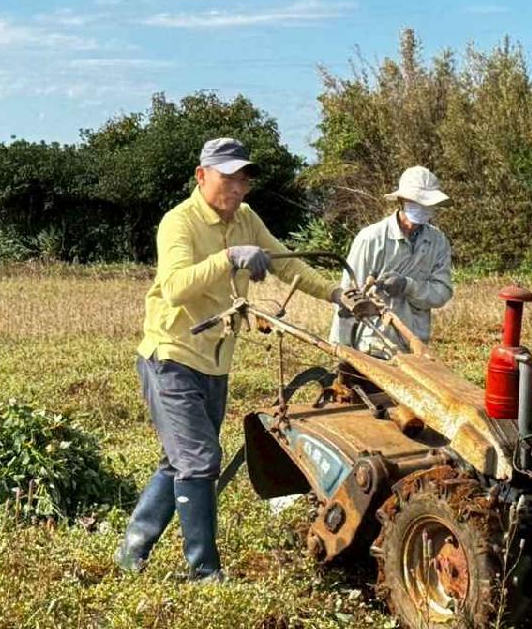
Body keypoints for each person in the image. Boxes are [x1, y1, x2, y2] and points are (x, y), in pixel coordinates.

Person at [115, 137, 360, 580]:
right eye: (228, 176)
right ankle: (204, 572)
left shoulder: (247, 218)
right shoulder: (180, 222)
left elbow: (286, 262)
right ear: (202, 175)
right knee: (199, 461)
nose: (237, 187)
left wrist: (335, 293)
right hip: (171, 356)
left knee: (181, 462)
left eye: (243, 178)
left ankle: (132, 548)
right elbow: (174, 287)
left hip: (215, 361)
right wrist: (228, 258)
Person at [329, 165, 454, 355]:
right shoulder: (371, 238)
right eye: (415, 202)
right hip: (372, 345)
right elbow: (348, 298)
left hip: (414, 346)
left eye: (425, 204)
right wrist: (342, 350)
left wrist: (408, 286)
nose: (421, 209)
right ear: (402, 200)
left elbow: (441, 292)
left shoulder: (437, 242)